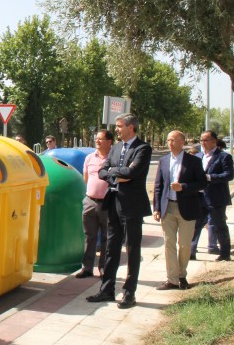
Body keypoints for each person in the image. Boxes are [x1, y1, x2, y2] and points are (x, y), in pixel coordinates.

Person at [86, 113, 152, 309]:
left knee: (132, 248)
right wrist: (117, 174)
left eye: (120, 126)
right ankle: (107, 289)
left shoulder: (143, 148)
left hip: (132, 205)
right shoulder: (115, 148)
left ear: (131, 127)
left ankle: (129, 293)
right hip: (113, 202)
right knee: (111, 248)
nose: (116, 129)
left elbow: (133, 172)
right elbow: (102, 171)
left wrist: (115, 172)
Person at [152, 130, 206, 290]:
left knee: (184, 245)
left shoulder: (193, 161)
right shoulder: (163, 161)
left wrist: (184, 187)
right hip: (167, 207)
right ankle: (172, 279)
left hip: (187, 208)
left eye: (173, 140)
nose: (170, 143)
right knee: (169, 244)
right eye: (168, 140)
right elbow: (158, 186)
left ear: (182, 142)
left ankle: (182, 275)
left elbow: (202, 183)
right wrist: (156, 208)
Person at [75, 130, 114, 279]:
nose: (97, 141)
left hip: (107, 203)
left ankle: (103, 268)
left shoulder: (113, 158)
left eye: (100, 139)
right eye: (96, 139)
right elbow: (86, 178)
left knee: (106, 237)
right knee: (89, 236)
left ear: (109, 141)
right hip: (90, 201)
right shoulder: (89, 158)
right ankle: (87, 268)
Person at [198, 131, 233, 262]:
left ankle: (225, 253)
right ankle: (191, 251)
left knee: (219, 226)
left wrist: (210, 177)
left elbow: (229, 175)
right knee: (195, 225)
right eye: (201, 140)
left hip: (216, 198)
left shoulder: (224, 157)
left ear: (214, 141)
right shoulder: (199, 156)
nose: (203, 143)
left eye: (206, 140)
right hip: (200, 196)